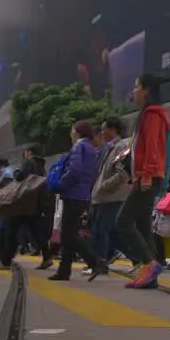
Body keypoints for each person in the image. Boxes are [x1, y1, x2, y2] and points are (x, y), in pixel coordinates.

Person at [124, 74, 170, 289]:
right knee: (143, 226)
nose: (133, 91)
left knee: (122, 222)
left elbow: (152, 147)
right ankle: (150, 274)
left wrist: (146, 175)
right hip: (145, 176)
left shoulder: (152, 115)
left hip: (149, 176)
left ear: (146, 91)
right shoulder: (148, 114)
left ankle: (150, 264)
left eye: (136, 86)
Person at [49, 120, 103, 281]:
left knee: (68, 236)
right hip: (83, 195)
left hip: (73, 194)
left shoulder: (79, 146)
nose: (71, 133)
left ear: (78, 132)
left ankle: (95, 261)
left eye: (72, 130)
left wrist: (60, 185)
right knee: (69, 235)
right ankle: (63, 271)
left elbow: (74, 170)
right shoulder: (91, 148)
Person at [90, 117, 135, 268]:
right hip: (105, 197)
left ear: (113, 129)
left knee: (102, 230)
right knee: (112, 233)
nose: (102, 132)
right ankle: (138, 259)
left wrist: (104, 186)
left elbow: (122, 173)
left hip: (112, 197)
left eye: (104, 129)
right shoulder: (111, 147)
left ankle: (100, 263)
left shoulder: (121, 146)